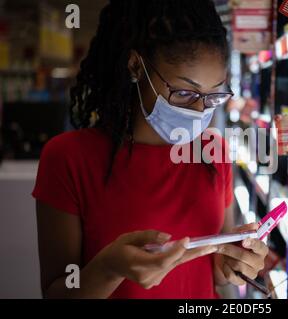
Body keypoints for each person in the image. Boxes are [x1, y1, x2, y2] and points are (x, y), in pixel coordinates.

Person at [32, 0, 268, 299]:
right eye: (183, 93)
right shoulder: (68, 158)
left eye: (214, 96)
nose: (199, 110)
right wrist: (109, 268)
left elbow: (218, 276)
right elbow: (56, 293)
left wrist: (230, 267)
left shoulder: (214, 152)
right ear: (135, 66)